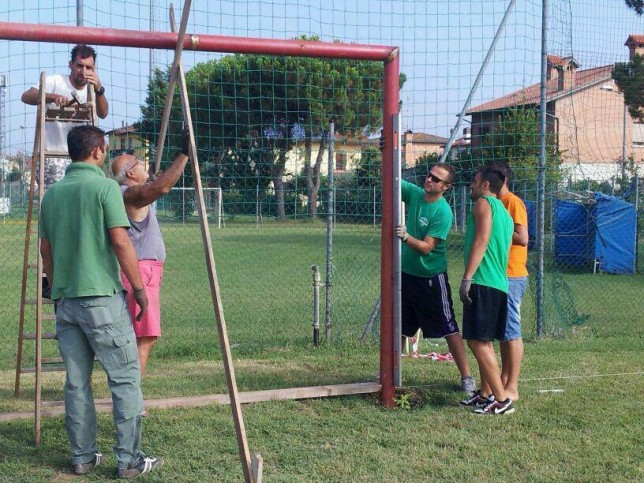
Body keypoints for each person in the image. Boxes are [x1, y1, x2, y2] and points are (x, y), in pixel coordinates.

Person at [39, 125, 163, 478]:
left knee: (76, 381)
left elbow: (46, 248)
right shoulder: (106, 187)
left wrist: (54, 282)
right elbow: (121, 242)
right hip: (102, 301)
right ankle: (129, 459)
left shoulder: (52, 194)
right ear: (96, 151)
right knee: (124, 379)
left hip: (66, 301)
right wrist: (139, 290)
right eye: (105, 149)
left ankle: (82, 456)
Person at [110, 128, 191, 376]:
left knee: (141, 336)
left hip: (142, 270)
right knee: (144, 338)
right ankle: (132, 397)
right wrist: (184, 154)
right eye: (137, 162)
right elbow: (162, 188)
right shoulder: (131, 194)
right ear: (131, 173)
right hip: (142, 271)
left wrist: (153, 180)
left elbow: (155, 186)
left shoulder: (129, 193)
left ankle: (128, 393)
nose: (143, 162)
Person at [395, 163, 476, 393]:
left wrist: (406, 236)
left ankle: (466, 377)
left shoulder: (443, 212)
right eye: (429, 175)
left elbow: (426, 248)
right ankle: (390, 372)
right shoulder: (416, 194)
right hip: (407, 275)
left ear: (446, 187)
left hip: (431, 278)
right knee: (399, 325)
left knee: (449, 327)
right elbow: (391, 178)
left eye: (436, 179)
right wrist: (384, 151)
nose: (429, 180)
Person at [458, 165, 514, 415]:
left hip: (483, 281)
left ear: (485, 186)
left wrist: (467, 277)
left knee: (477, 342)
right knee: (485, 341)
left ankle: (501, 400)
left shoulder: (484, 205)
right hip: (499, 284)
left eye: (474, 181)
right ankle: (485, 394)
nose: (470, 185)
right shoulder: (504, 212)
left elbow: (481, 240)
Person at [22, 44, 109, 189]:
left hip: (83, 158)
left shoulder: (94, 89)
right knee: (59, 198)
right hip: (51, 156)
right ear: (71, 65)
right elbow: (26, 96)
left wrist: (99, 89)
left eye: (89, 68)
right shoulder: (55, 81)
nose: (83, 71)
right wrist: (51, 97)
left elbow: (103, 113)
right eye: (79, 66)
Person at [493, 161, 529, 401]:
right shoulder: (496, 203)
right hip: (498, 274)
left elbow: (523, 238)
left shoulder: (512, 202)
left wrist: (495, 229)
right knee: (504, 332)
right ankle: (504, 380)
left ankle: (512, 387)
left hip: (512, 274)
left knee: (512, 331)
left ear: (503, 180)